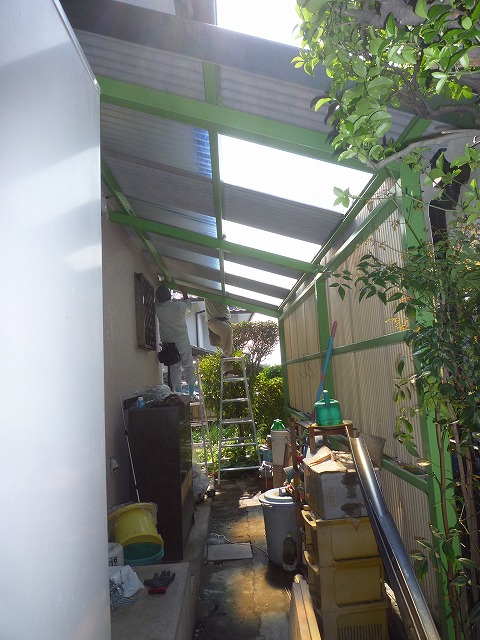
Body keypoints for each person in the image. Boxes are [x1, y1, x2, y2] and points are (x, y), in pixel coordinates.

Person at [155, 283, 195, 396]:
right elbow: (189, 305)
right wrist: (184, 292)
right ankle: (191, 394)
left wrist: (161, 285)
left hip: (169, 345)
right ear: (170, 296)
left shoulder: (158, 308)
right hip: (182, 341)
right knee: (188, 365)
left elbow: (158, 300)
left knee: (175, 368)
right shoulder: (178, 306)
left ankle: (178, 394)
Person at [205, 298, 234, 376]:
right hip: (214, 321)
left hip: (226, 319)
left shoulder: (223, 292)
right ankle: (225, 355)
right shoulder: (207, 292)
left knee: (230, 348)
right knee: (227, 330)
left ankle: (227, 373)